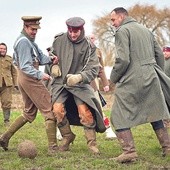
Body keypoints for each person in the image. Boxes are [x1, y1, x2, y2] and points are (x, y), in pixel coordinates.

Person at [110, 7, 170, 163]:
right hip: (151, 75)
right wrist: (155, 71)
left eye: (113, 19)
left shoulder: (122, 31)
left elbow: (123, 59)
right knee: (155, 111)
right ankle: (167, 148)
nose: (113, 23)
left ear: (121, 17)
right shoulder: (145, 30)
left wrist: (114, 78)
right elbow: (159, 54)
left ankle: (129, 152)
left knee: (118, 114)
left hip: (132, 77)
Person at [0, 16, 58, 156]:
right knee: (49, 109)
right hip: (30, 78)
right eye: (32, 29)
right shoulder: (24, 42)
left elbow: (40, 58)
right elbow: (26, 66)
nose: (34, 32)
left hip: (24, 78)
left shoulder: (29, 41)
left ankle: (4, 138)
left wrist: (50, 59)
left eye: (36, 29)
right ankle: (53, 148)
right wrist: (40, 75)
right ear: (25, 27)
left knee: (28, 113)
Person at [50, 17, 106, 154]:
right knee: (57, 109)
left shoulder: (90, 46)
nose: (73, 34)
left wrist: (80, 77)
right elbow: (52, 56)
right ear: (67, 29)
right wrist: (53, 65)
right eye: (70, 31)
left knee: (84, 112)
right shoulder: (59, 41)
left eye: (76, 31)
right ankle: (67, 136)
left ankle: (92, 143)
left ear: (81, 29)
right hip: (61, 83)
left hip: (80, 85)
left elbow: (93, 69)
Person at [89, 34, 117, 140]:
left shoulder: (97, 51)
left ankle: (108, 129)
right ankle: (60, 132)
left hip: (92, 83)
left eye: (93, 38)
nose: (92, 40)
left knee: (98, 107)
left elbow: (101, 68)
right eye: (90, 38)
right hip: (75, 84)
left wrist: (105, 83)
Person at [0, 43, 18, 126]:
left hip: (7, 85)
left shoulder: (9, 59)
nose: (2, 50)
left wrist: (16, 84)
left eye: (4, 49)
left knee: (6, 102)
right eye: (1, 48)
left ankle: (6, 121)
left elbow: (14, 72)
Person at [163, 46, 170, 127]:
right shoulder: (162, 61)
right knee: (165, 103)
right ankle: (166, 121)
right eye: (164, 51)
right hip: (164, 85)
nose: (165, 53)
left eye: (167, 51)